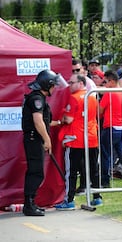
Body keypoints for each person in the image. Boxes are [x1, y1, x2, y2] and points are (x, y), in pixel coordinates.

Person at [55, 74, 102, 210]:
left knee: (72, 171)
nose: (69, 85)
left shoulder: (74, 98)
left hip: (76, 139)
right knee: (93, 170)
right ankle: (97, 197)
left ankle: (69, 200)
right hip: (91, 138)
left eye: (72, 82)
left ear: (81, 84)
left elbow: (68, 119)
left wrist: (62, 117)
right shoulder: (92, 97)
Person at [22, 70, 63, 216]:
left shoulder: (38, 98)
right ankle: (29, 205)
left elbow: (44, 121)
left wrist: (59, 122)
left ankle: (30, 203)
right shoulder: (36, 99)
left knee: (36, 171)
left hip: (35, 138)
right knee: (36, 172)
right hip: (35, 138)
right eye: (53, 85)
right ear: (47, 85)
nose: (54, 88)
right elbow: (38, 122)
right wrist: (47, 140)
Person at [99, 70, 122, 188]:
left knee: (106, 155)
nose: (104, 84)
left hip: (111, 127)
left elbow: (99, 111)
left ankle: (105, 181)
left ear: (112, 81)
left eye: (105, 82)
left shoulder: (109, 93)